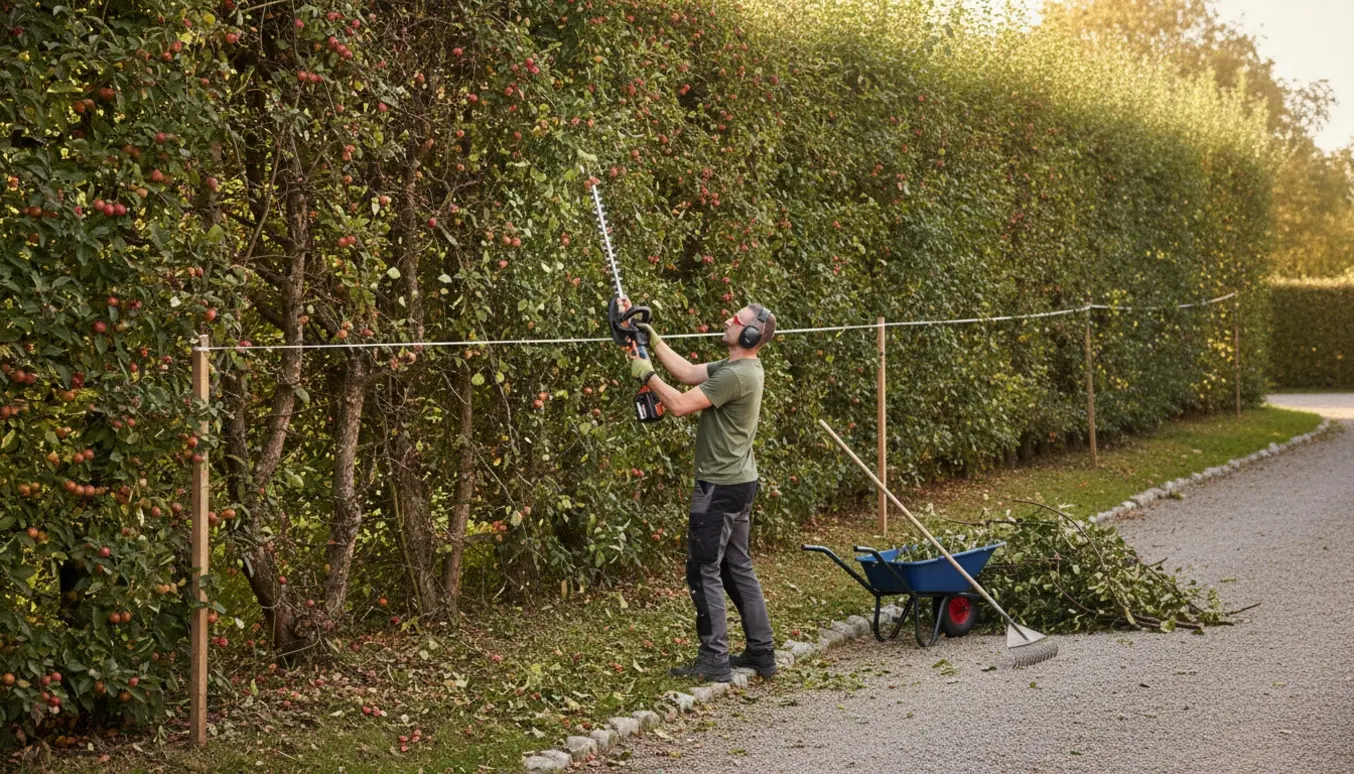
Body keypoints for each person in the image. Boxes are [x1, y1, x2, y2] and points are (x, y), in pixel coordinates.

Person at [627, 303, 778, 682]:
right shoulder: (737, 368)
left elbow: (678, 404)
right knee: (735, 567)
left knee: (703, 570)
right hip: (739, 481)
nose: (728, 319)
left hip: (719, 487)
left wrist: (647, 375)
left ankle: (714, 660)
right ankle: (762, 653)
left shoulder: (737, 375)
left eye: (737, 320)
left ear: (749, 335)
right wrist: (653, 340)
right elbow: (689, 372)